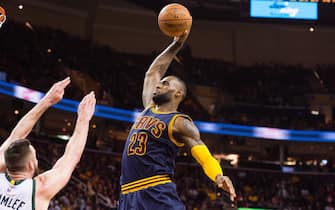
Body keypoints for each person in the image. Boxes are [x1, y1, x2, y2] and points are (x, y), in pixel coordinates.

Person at [118, 31, 236, 210]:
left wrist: (219, 176)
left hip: (155, 190)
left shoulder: (179, 122)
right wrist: (176, 44)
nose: (159, 85)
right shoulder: (148, 108)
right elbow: (153, 72)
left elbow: (203, 156)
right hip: (127, 193)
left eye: (165, 83)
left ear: (178, 93)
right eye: (160, 83)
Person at [0, 77, 96, 209]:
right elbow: (71, 158)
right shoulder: (40, 189)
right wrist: (84, 119)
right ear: (30, 165)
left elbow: (15, 137)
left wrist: (46, 101)